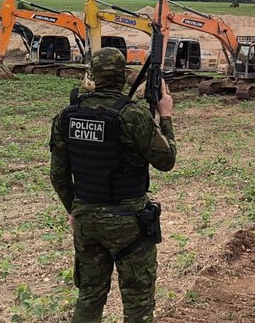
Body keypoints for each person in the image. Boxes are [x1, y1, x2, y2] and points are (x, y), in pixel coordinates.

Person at [50, 47, 177, 323]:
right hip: (129, 223)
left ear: (92, 75)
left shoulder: (67, 116)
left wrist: (74, 208)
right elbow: (166, 160)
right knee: (138, 303)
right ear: (122, 78)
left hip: (86, 222)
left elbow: (58, 174)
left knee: (90, 296)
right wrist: (164, 116)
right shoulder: (133, 115)